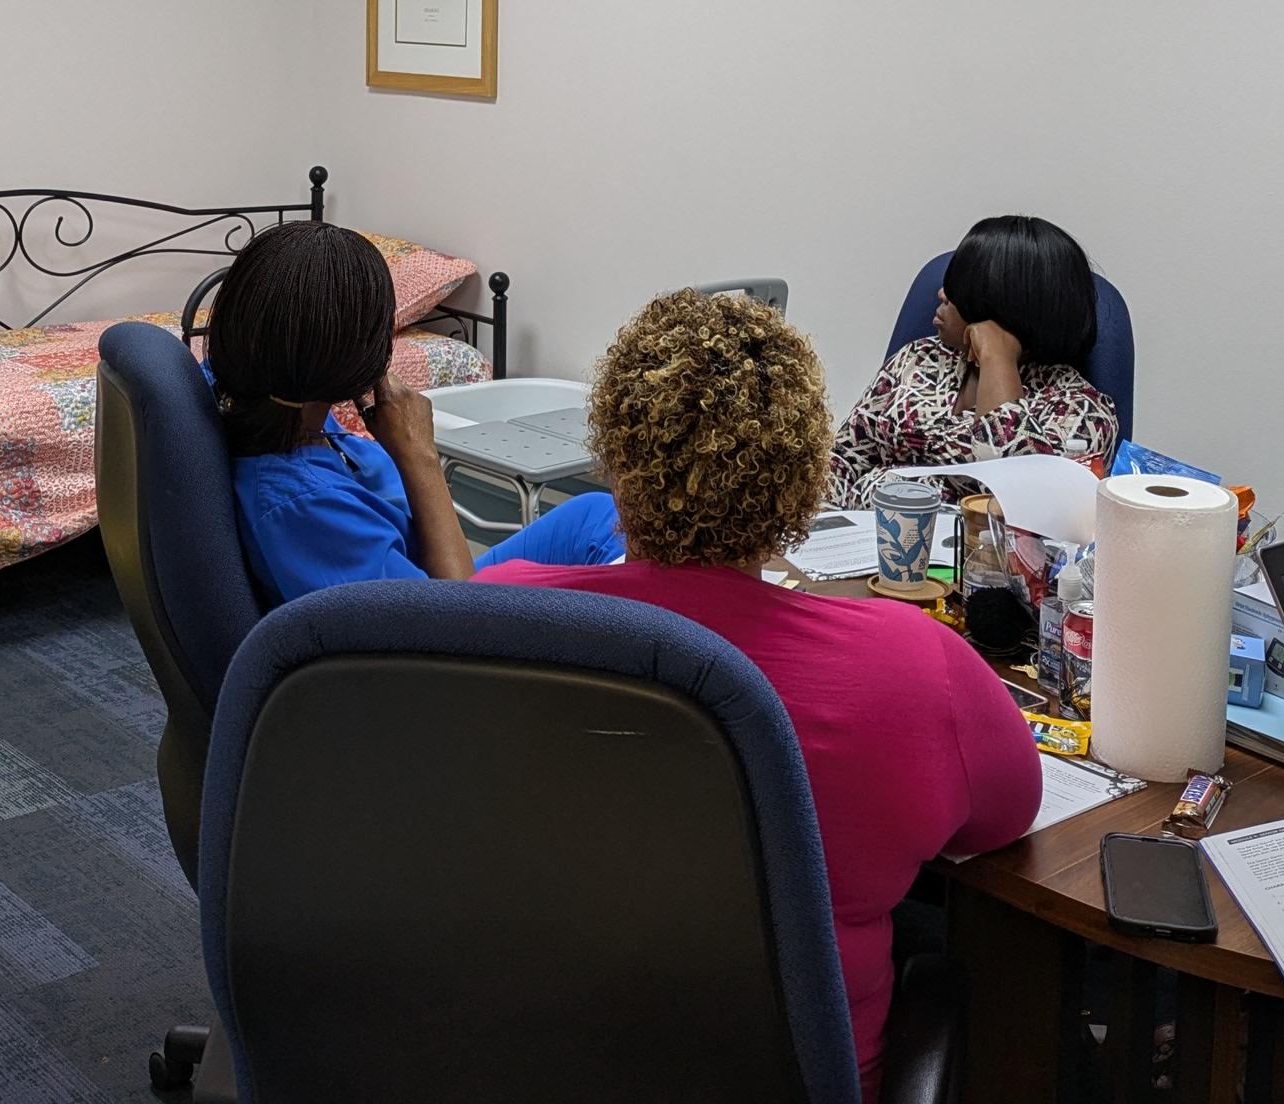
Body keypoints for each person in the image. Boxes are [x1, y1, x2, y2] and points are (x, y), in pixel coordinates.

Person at [478, 290, 1041, 1101]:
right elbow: (1007, 814)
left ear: (613, 458)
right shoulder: (916, 666)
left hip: (532, 1057)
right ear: (804, 478)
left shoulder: (493, 615)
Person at [207, 221, 620, 602]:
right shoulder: (306, 506)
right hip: (446, 620)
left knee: (597, 515)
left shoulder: (274, 403)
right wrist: (419, 454)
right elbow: (457, 621)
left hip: (422, 568)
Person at [826, 214, 1120, 509]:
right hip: (853, 542)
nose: (941, 294)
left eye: (959, 288)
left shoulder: (1080, 412)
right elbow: (842, 460)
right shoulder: (918, 360)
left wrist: (997, 356)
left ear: (1002, 304)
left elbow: (1018, 498)